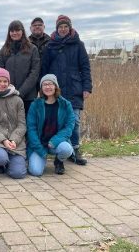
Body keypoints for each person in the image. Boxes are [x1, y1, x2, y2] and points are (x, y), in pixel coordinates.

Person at [41, 15, 92, 165]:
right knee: (57, 120)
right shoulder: (50, 46)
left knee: (74, 121)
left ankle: (75, 149)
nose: (63, 29)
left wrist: (87, 87)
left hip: (74, 88)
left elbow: (85, 67)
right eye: (60, 27)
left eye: (65, 27)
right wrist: (42, 88)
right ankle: (63, 148)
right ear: (56, 29)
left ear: (69, 28)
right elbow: (45, 68)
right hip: (55, 89)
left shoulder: (78, 44)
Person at [27, 74, 75, 176]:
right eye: (45, 84)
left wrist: (54, 141)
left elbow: (69, 127)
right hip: (39, 144)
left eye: (50, 84)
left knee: (67, 149)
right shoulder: (35, 105)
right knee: (35, 171)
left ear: (55, 86)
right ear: (41, 88)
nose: (48, 87)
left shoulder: (66, 105)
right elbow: (31, 129)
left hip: (56, 143)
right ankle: (41, 158)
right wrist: (40, 151)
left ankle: (59, 161)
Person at [0, 20, 40, 115]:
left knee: (28, 125)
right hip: (8, 96)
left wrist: (20, 92)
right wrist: (9, 90)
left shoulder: (32, 49)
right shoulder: (4, 50)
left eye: (17, 30)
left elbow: (34, 73)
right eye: (12, 31)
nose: (14, 33)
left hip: (28, 96)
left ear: (22, 31)